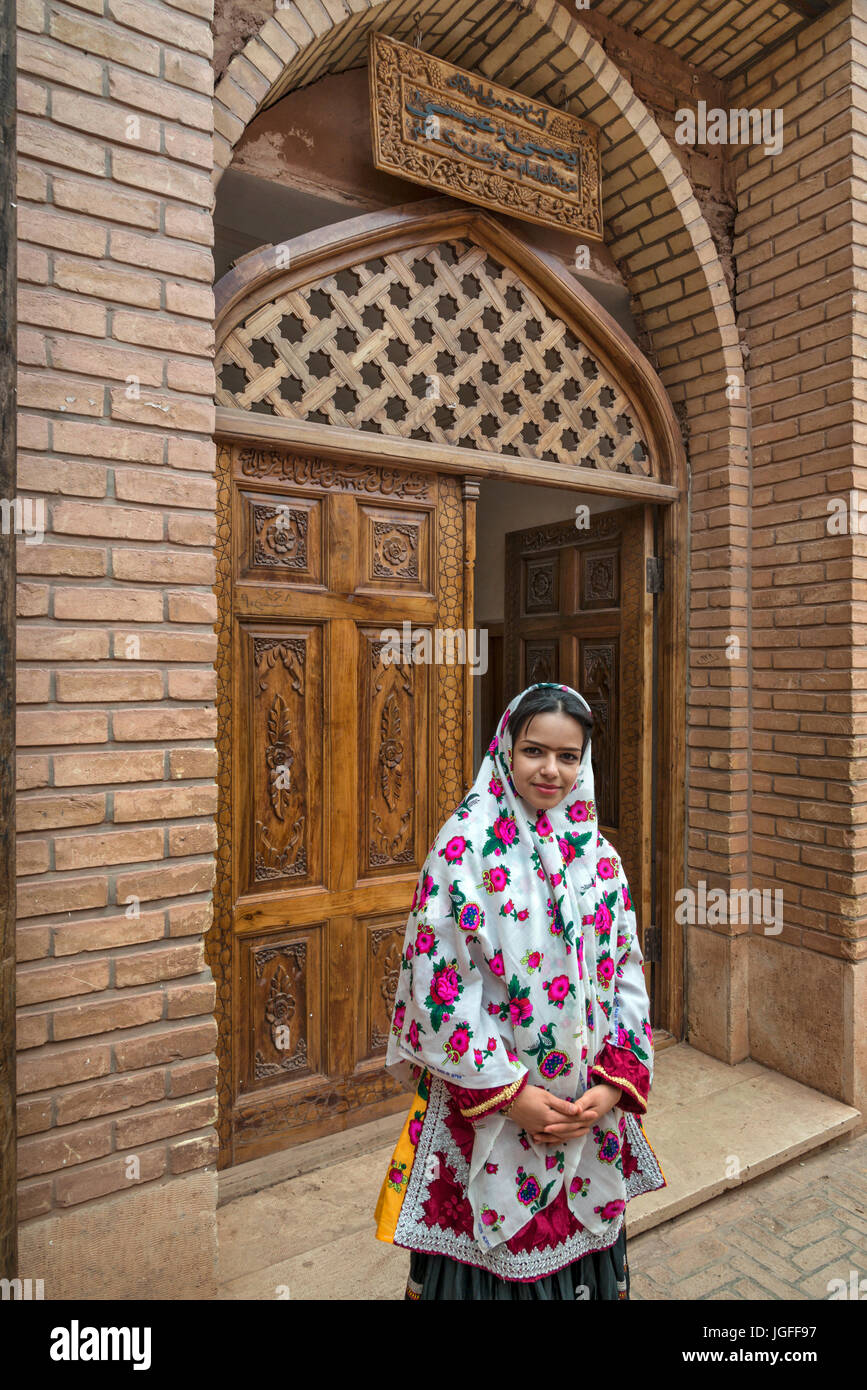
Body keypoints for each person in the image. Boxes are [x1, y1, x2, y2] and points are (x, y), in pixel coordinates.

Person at [373, 680, 666, 1299]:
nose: (551, 771)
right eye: (535, 751)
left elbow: (626, 971)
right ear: (506, 749)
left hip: (585, 1112)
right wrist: (512, 1097)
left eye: (568, 756)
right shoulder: (465, 849)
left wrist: (613, 1083)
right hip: (497, 1113)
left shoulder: (597, 855)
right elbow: (441, 986)